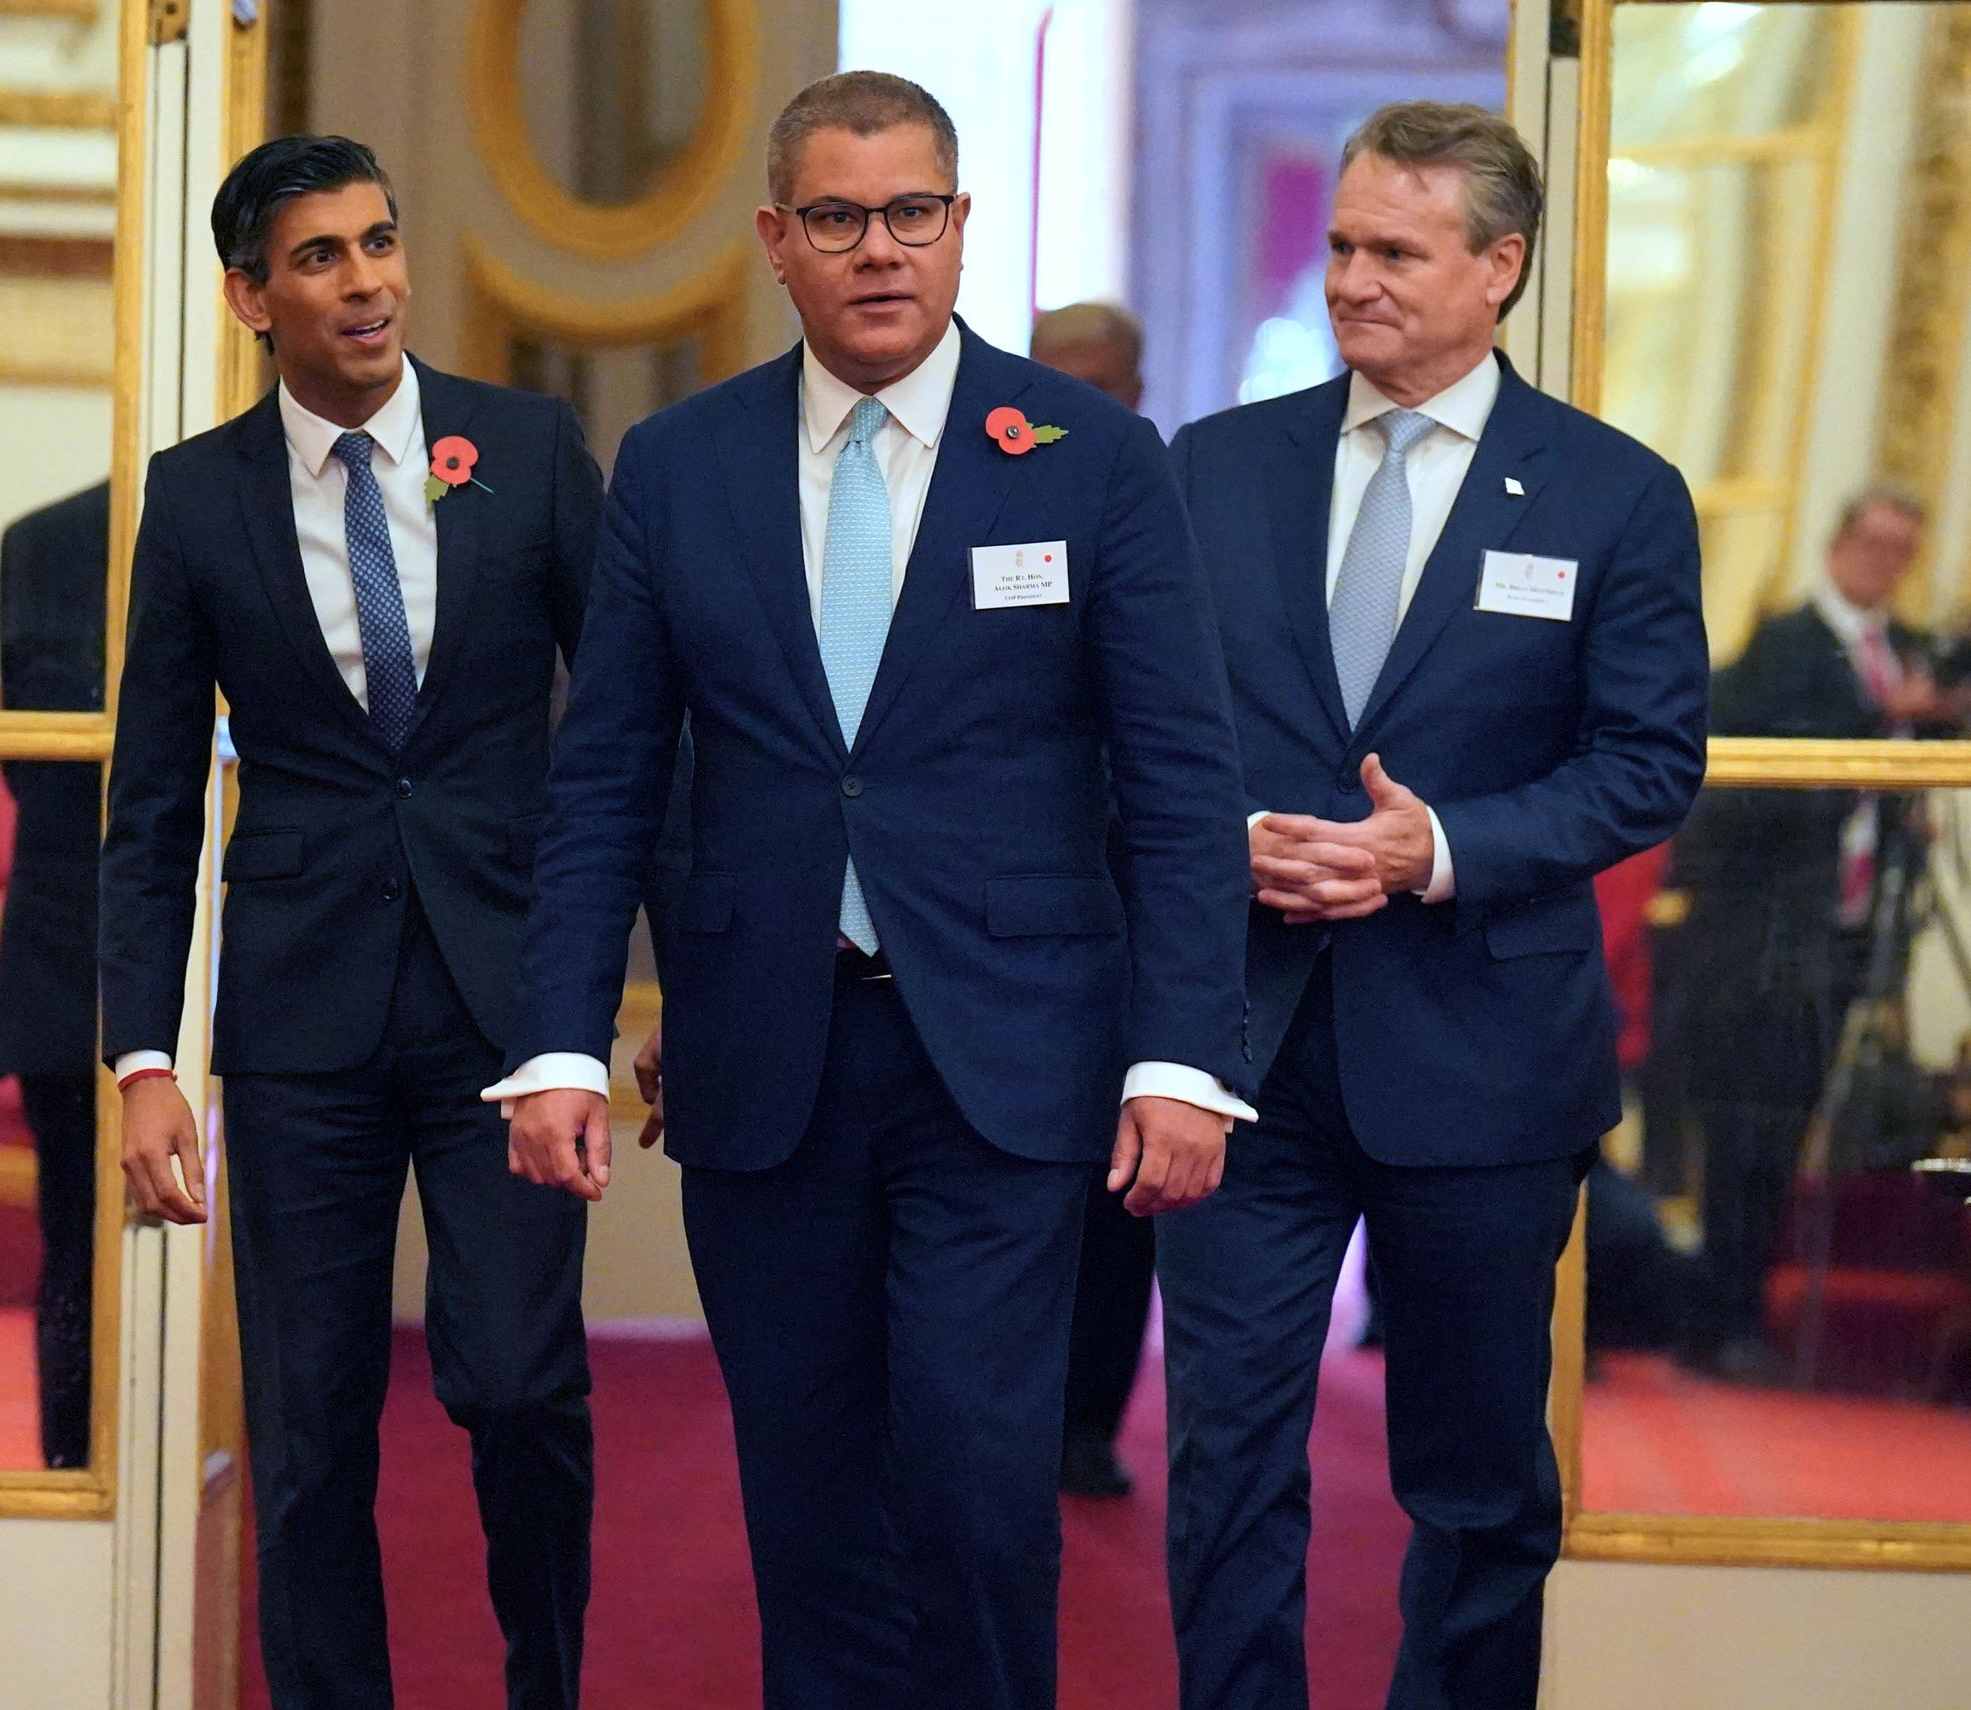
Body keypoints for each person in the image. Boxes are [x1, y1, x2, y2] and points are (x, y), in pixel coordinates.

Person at [490, 72, 1252, 1710]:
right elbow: (607, 773)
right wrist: (558, 1038)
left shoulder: (1094, 462)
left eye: (914, 212)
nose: (880, 250)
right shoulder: (680, 468)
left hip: (1008, 1067)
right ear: (777, 241)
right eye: (838, 217)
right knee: (809, 1502)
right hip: (769, 1066)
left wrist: (1183, 1056)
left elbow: (1187, 787)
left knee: (983, 1494)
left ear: (962, 226)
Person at [1159, 101, 1705, 1710]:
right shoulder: (1215, 468)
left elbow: (1646, 763)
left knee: (1475, 1483)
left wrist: (1431, 845)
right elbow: (1136, 729)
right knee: (1229, 1457)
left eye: (1395, 251)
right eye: (1340, 244)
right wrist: (1224, 836)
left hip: (1481, 1052)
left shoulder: (1612, 495)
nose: (1351, 280)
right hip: (1239, 1051)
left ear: (1499, 268)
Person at [100, 135, 606, 1709]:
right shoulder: (195, 502)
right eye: (319, 256)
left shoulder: (527, 450)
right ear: (252, 296)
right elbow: (154, 801)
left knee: (519, 1385)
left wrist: (633, 1008)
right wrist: (141, 1059)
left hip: (506, 1010)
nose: (367, 280)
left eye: (379, 242)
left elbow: (624, 739)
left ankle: (544, 1679)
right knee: (308, 1430)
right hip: (302, 1019)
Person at [1662, 485, 1944, 1381]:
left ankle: (1748, 1311)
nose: (1884, 565)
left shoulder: (1904, 651)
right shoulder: (1784, 642)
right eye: (1874, 545)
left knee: (1791, 1132)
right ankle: (1720, 1318)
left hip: (1844, 931)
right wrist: (1885, 719)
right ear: (1839, 541)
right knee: (1741, 1129)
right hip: (1760, 937)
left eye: (1904, 551)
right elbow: (1740, 777)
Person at [1031, 297, 1159, 1499]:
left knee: (1118, 1190)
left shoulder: (1155, 495)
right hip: (1003, 910)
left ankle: (1085, 1420)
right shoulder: (986, 479)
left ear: (1131, 392)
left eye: (1092, 382)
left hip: (1131, 903)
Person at [0, 479, 110, 1467]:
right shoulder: (48, 538)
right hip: (72, 952)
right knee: (75, 1245)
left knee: (74, 1251)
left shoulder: (44, 540)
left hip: (69, 938)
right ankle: (73, 1489)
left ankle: (72, 1474)